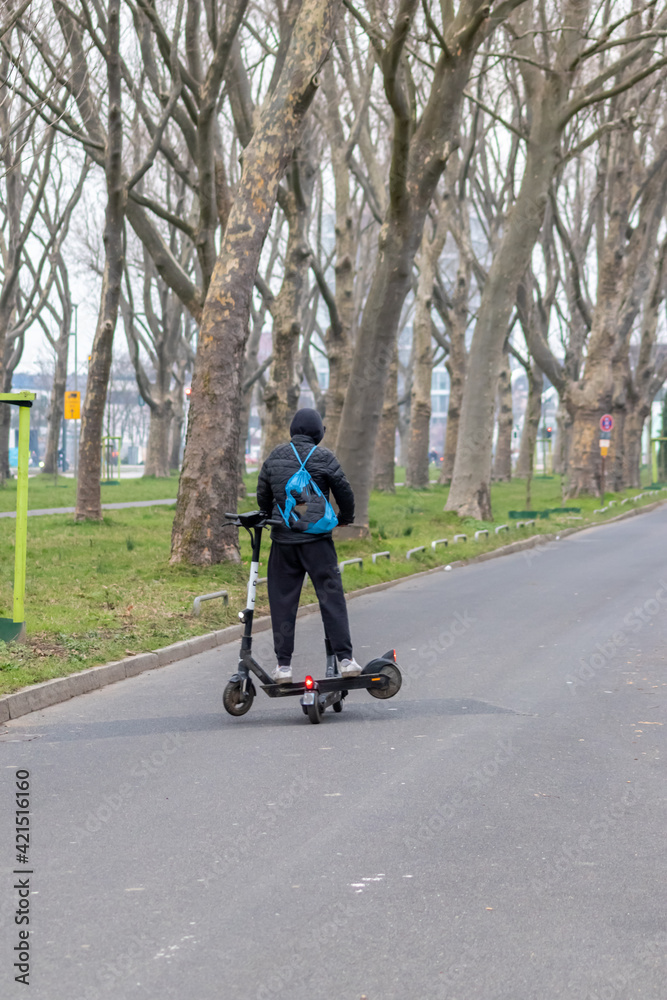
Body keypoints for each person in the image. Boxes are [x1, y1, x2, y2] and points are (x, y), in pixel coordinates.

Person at [257, 407, 362, 684]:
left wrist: (270, 515)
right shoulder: (324, 457)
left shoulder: (276, 456)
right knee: (331, 599)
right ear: (318, 432)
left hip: (284, 542)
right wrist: (345, 519)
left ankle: (283, 667)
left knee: (283, 602)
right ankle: (346, 660)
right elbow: (344, 491)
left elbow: (263, 492)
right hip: (318, 544)